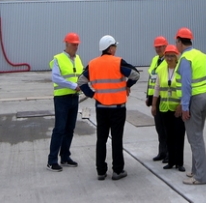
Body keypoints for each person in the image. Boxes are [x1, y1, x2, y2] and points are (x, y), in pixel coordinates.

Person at [78, 35, 140, 181]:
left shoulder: (93, 64)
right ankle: (117, 170)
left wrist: (92, 94)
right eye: (115, 47)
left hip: (101, 107)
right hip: (117, 108)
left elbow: (81, 80)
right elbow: (135, 74)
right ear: (111, 48)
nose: (116, 49)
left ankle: (101, 171)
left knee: (101, 139)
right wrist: (126, 85)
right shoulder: (118, 62)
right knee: (117, 139)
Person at [175, 27, 206, 185]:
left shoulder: (185, 58)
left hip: (194, 99)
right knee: (197, 135)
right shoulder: (201, 55)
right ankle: (196, 170)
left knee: (195, 139)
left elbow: (186, 84)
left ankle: (201, 177)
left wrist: (185, 107)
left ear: (179, 41)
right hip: (205, 96)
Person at [47, 32, 83, 171]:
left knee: (70, 129)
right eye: (74, 44)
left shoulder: (78, 59)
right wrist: (73, 85)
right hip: (62, 98)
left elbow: (81, 75)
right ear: (66, 44)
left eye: (77, 44)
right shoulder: (58, 59)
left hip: (74, 97)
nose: (76, 47)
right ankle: (52, 160)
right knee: (60, 129)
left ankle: (65, 156)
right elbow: (56, 78)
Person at [152, 44, 185, 172]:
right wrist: (154, 104)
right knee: (169, 135)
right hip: (165, 108)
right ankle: (171, 161)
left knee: (179, 136)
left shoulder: (181, 69)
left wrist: (182, 105)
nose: (169, 58)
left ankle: (179, 162)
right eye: (167, 56)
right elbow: (157, 88)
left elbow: (186, 89)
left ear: (177, 57)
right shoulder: (162, 69)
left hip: (178, 108)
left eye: (172, 56)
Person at [145, 36, 169, 162]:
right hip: (155, 97)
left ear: (166, 46)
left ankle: (169, 153)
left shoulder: (170, 60)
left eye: (161, 46)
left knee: (167, 127)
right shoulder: (155, 60)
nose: (158, 49)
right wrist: (148, 97)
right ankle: (162, 152)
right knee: (159, 127)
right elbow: (151, 79)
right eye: (157, 47)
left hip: (165, 98)